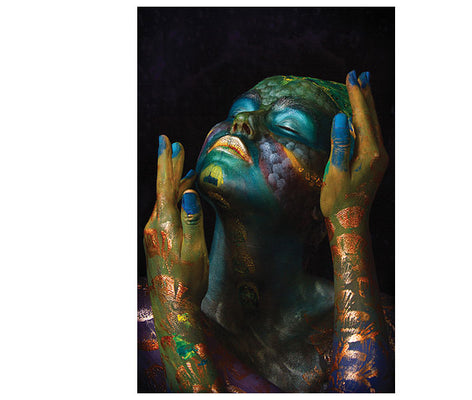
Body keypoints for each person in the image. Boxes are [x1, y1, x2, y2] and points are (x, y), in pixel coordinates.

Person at [139, 70, 394, 392]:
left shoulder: (383, 323)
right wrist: (169, 306)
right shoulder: (138, 314)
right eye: (236, 110)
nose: (242, 120)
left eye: (289, 127)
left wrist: (349, 221)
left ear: (339, 185)